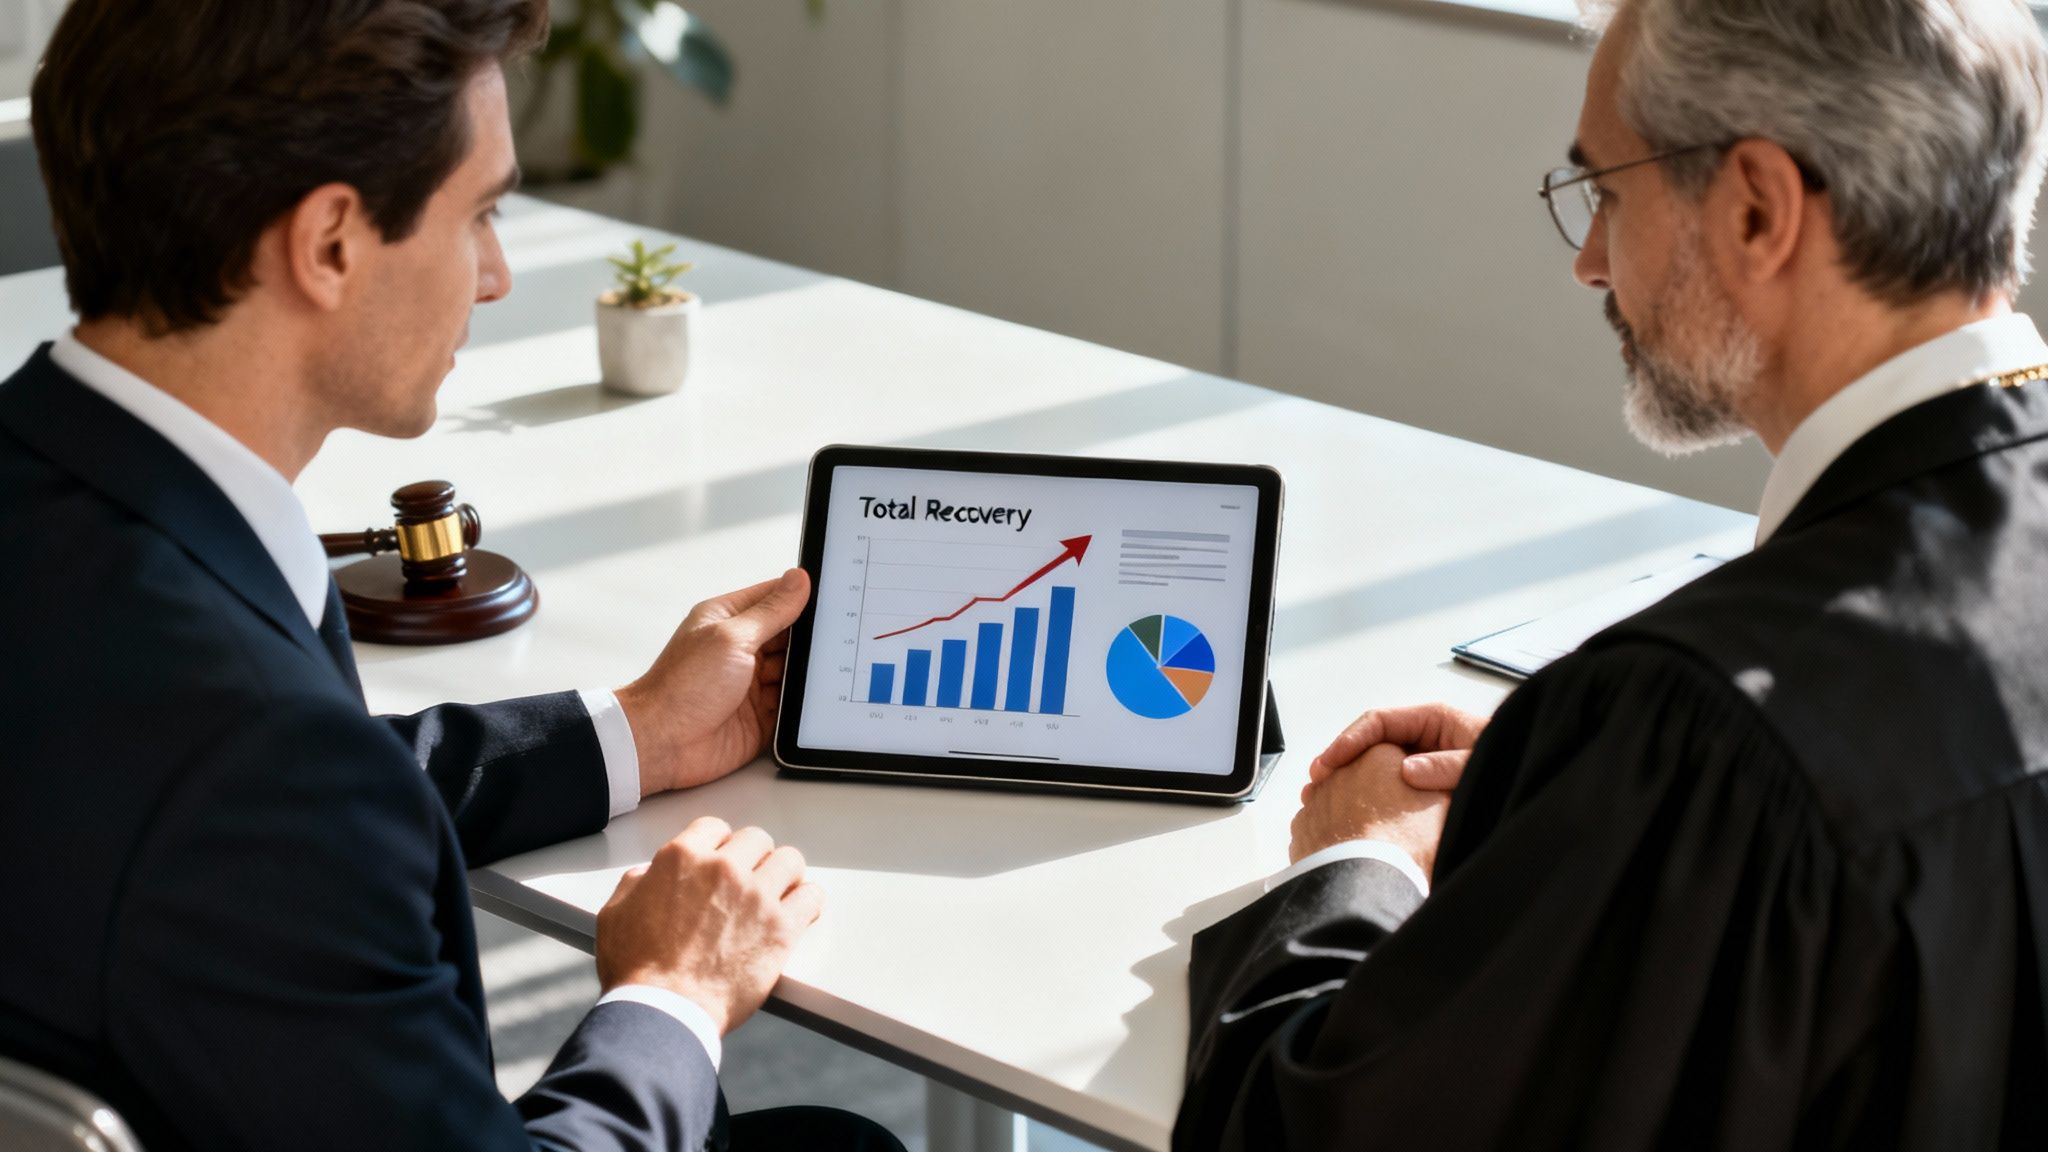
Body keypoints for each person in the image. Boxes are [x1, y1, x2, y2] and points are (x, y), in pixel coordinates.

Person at [0, 2, 898, 1150]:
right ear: (329, 242)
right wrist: (674, 990)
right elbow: (271, 809)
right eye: (479, 213)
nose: (497, 276)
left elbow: (240, 816)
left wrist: (631, 731)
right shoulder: (256, 757)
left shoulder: (70, 503)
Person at [1176, 0, 2048, 1148]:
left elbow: (1301, 1131)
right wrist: (1567, 798)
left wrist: (1359, 860)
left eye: (1607, 191)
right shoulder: (1682, 754)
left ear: (1754, 209)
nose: (1588, 262)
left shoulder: (1699, 738)